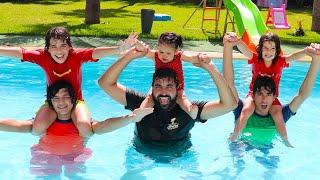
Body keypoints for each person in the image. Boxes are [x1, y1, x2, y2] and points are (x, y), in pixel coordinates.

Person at [0, 26, 137, 137]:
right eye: (53, 46)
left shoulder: (75, 56)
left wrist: (119, 49)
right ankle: (34, 120)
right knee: (37, 128)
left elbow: (95, 52)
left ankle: (86, 134)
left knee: (84, 127)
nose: (58, 50)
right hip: (52, 101)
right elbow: (19, 52)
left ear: (70, 46)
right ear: (47, 48)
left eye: (63, 45)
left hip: (77, 101)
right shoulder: (43, 57)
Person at [0, 81, 153, 176]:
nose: (61, 102)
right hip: (45, 157)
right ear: (50, 103)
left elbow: (103, 126)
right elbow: (19, 126)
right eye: (56, 98)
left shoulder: (83, 124)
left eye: (65, 97)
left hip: (75, 157)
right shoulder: (45, 122)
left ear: (73, 100)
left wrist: (131, 118)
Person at [98, 44, 237, 145]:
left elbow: (229, 105)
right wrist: (129, 57)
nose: (163, 91)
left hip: (180, 160)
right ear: (152, 88)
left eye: (169, 86)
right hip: (141, 157)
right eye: (158, 86)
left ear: (178, 88)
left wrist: (212, 69)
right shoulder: (140, 106)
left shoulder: (189, 110)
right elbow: (105, 83)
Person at [223, 32, 320, 146]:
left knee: (277, 114)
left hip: (273, 99)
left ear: (277, 50)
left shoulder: (279, 61)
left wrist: (306, 51)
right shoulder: (256, 59)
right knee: (247, 109)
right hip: (252, 95)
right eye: (265, 48)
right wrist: (237, 42)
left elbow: (292, 57)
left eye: (272, 48)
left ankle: (285, 139)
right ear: (260, 49)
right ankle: (235, 134)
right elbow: (246, 51)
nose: (268, 52)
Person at [137, 32, 204, 119]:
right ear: (157, 48)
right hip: (158, 84)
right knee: (150, 97)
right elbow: (146, 52)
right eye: (161, 52)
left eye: (168, 53)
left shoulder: (179, 56)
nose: (164, 56)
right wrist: (139, 46)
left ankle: (190, 110)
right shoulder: (156, 55)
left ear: (176, 51)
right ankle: (140, 112)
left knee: (181, 97)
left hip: (177, 85)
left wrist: (201, 57)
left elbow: (192, 59)